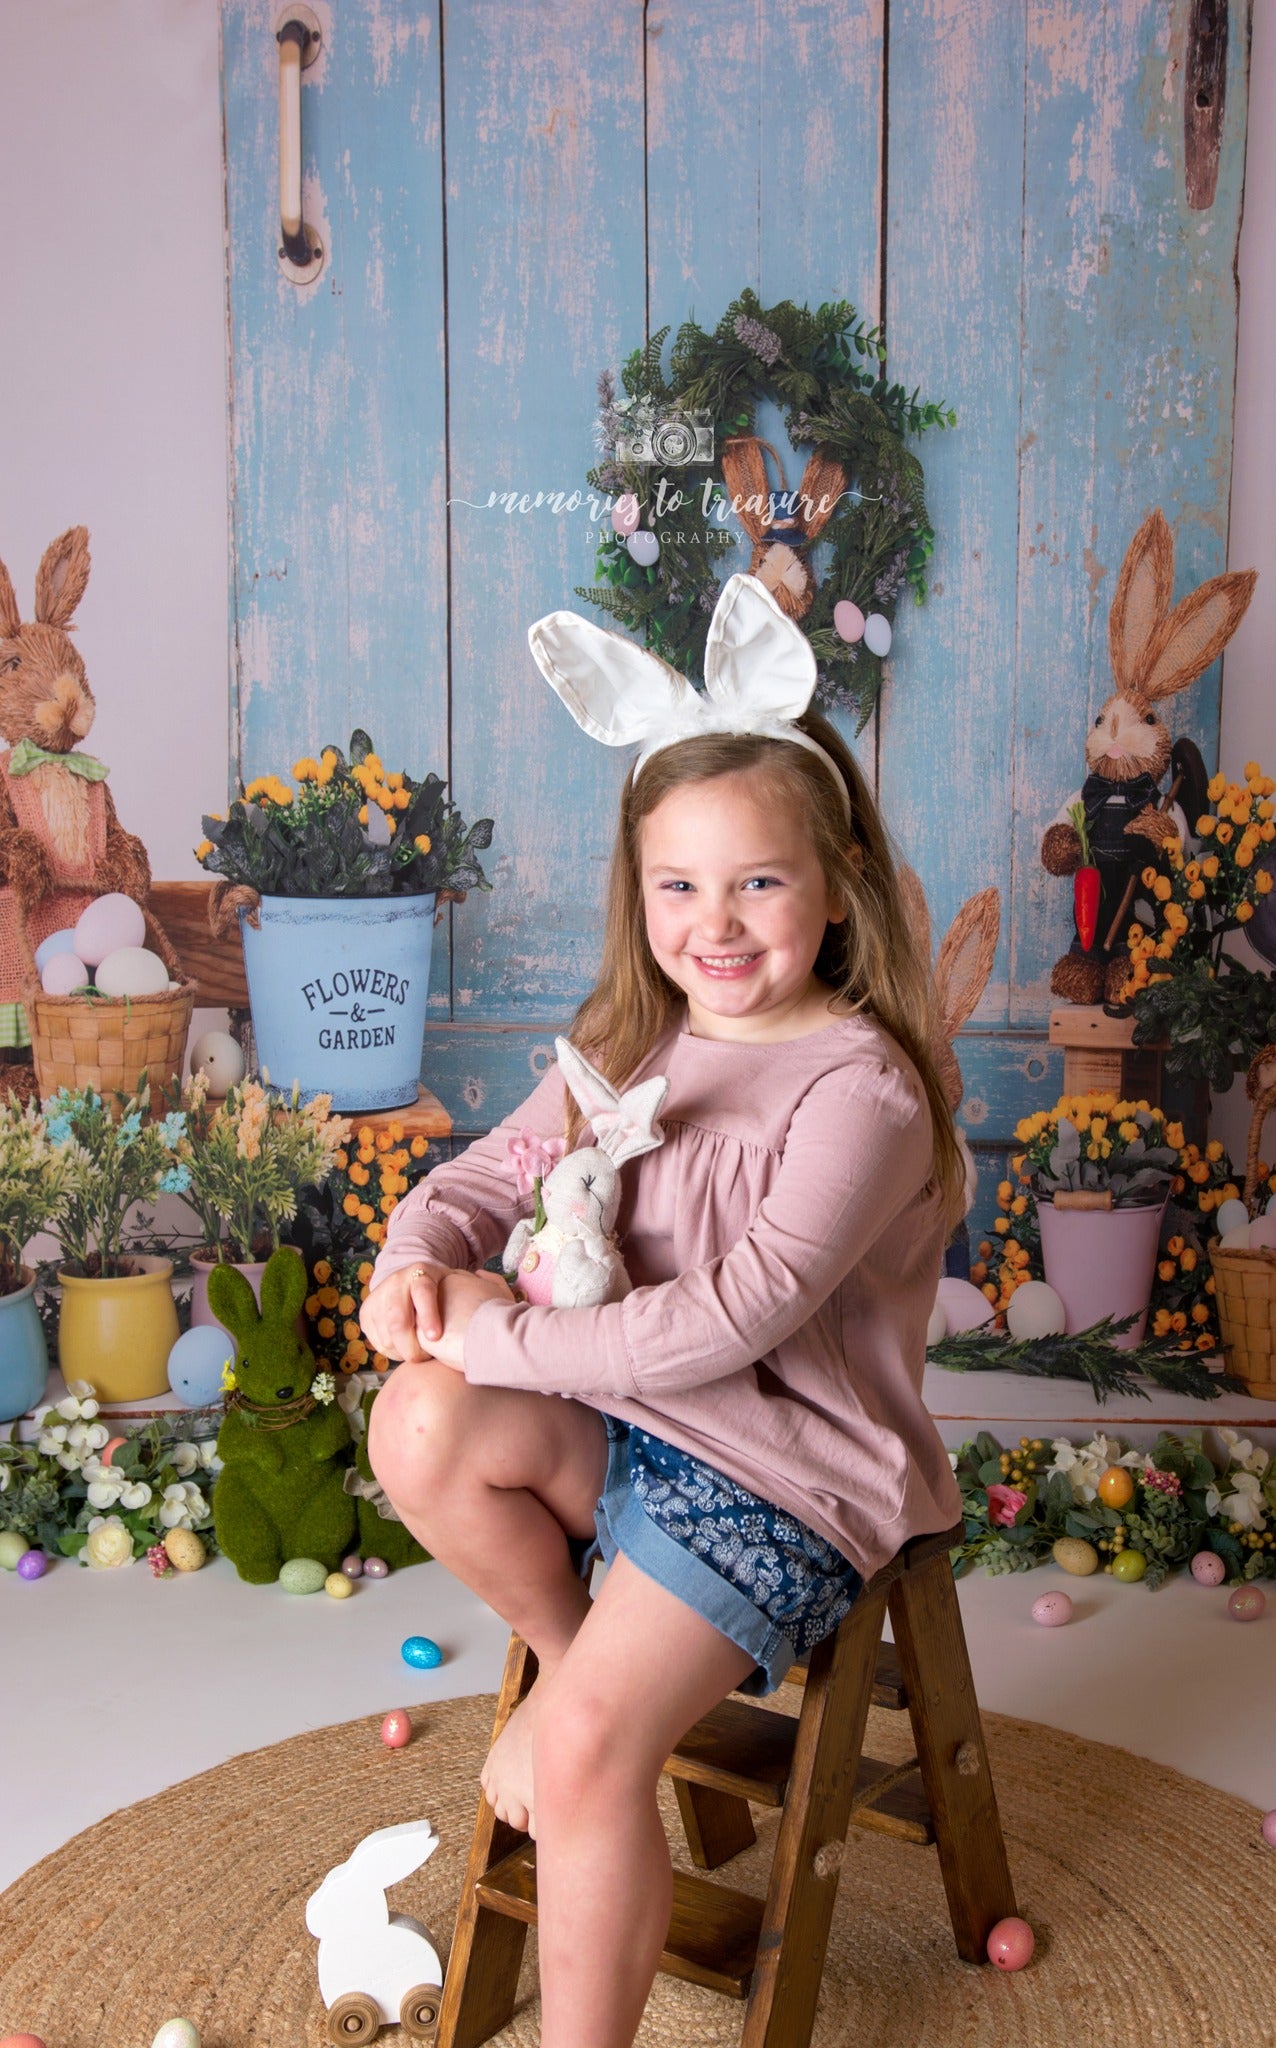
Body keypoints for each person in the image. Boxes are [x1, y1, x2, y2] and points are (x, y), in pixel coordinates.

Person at [358, 574, 965, 2048]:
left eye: (757, 881)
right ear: (639, 895)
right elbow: (481, 1178)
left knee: (573, 1766)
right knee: (418, 1415)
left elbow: (728, 1322)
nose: (717, 922)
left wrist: (493, 1328)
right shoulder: (634, 1045)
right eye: (678, 885)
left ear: (833, 884)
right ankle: (586, 1674)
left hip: (781, 1480)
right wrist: (412, 1265)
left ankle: (585, 1788)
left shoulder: (858, 1089)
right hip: (626, 1435)